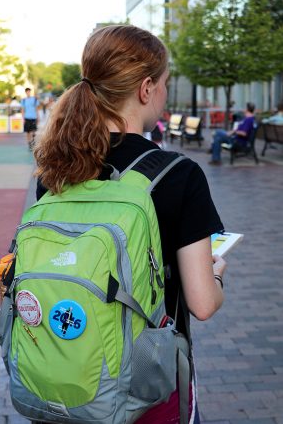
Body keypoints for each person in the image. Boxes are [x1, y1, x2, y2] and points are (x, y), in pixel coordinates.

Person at [34, 25, 226, 424]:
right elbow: (203, 304)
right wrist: (216, 275)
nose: (164, 94)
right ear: (146, 88)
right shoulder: (179, 175)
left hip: (65, 381)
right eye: (165, 85)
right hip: (145, 389)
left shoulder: (55, 169)